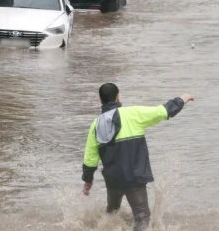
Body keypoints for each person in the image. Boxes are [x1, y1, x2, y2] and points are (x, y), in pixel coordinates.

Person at [81, 83, 195, 231]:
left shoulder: (95, 125)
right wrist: (182, 99)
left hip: (113, 180)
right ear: (117, 96)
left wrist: (88, 180)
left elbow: (90, 158)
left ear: (100, 100)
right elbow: (163, 111)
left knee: (112, 214)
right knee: (142, 216)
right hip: (134, 177)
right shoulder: (133, 113)